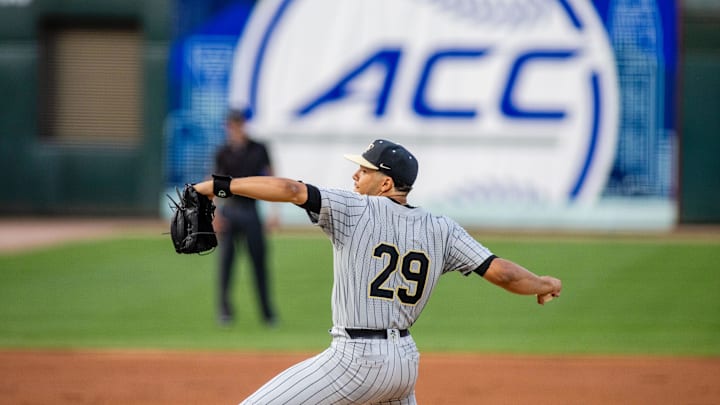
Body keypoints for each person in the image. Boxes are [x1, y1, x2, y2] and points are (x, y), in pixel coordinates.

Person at [193, 139, 562, 404]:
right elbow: (503, 273)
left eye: (365, 170)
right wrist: (542, 283)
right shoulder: (442, 228)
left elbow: (290, 189)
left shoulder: (354, 208)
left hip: (354, 361)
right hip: (403, 363)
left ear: (385, 184)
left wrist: (216, 187)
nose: (355, 176)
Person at [213, 109, 277, 327]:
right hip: (229, 210)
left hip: (251, 210)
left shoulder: (258, 149)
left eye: (238, 124)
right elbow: (214, 182)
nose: (235, 128)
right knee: (226, 264)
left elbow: (272, 178)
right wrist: (213, 214)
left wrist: (274, 212)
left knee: (259, 263)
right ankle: (224, 311)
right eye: (231, 124)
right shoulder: (223, 151)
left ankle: (267, 313)